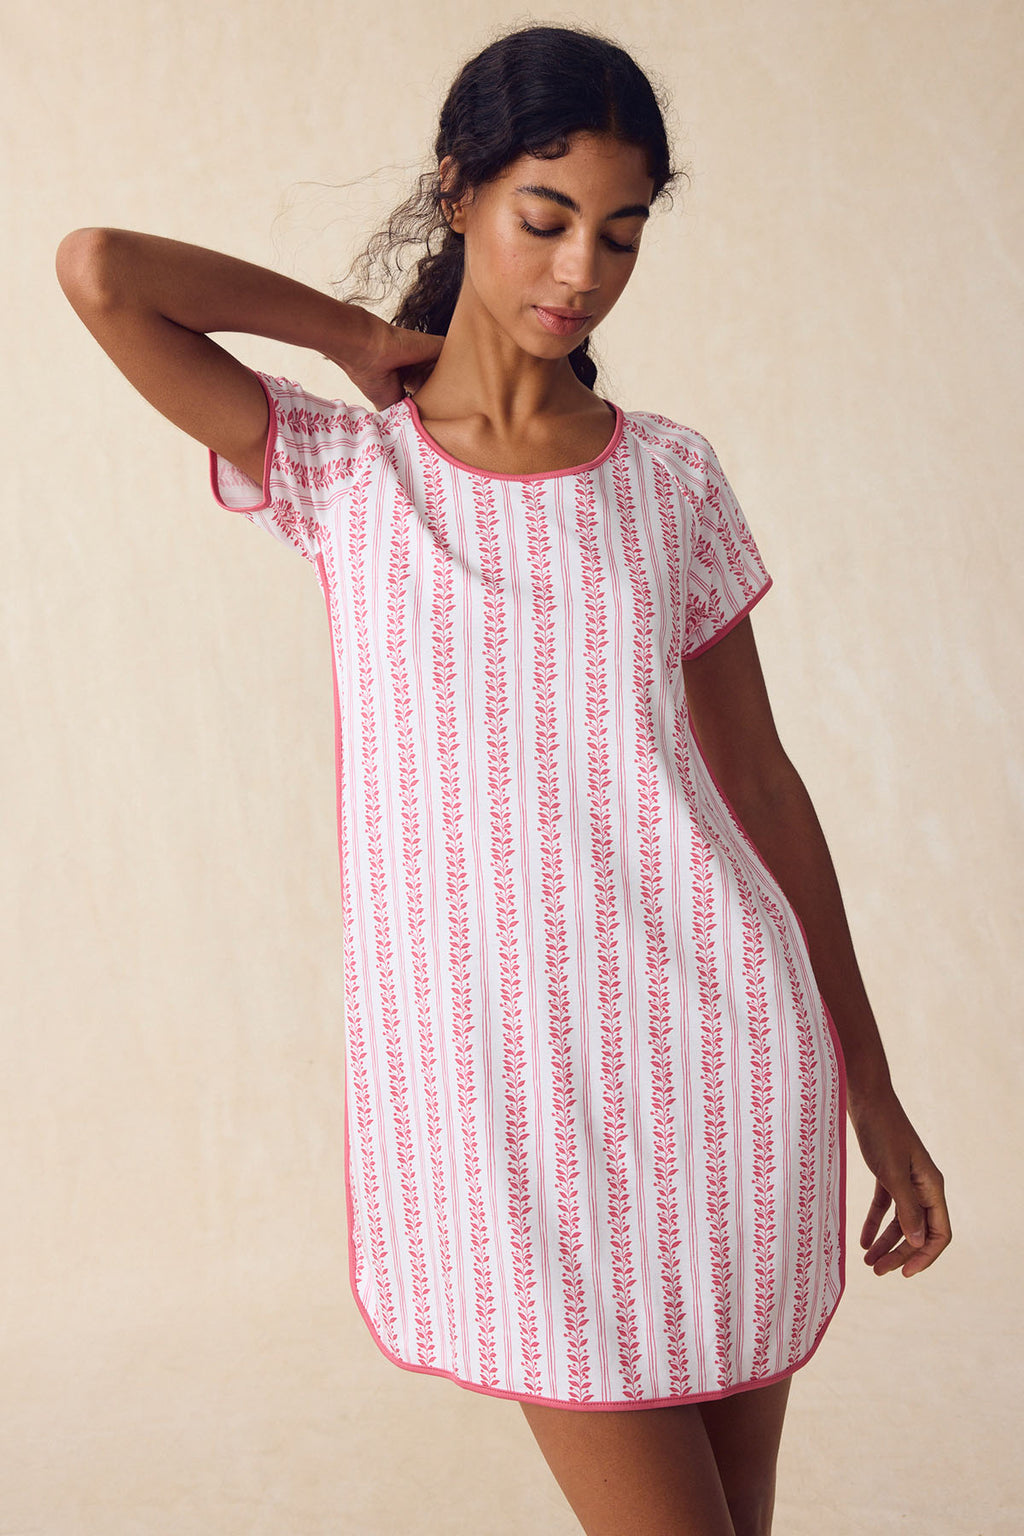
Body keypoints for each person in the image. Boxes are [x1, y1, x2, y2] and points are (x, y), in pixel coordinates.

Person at [55, 21, 951, 1536]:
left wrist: (877, 1096)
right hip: (513, 1118)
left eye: (621, 234)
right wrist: (347, 336)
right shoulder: (347, 475)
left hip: (727, 1068)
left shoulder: (669, 478)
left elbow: (765, 792)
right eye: (546, 218)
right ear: (460, 192)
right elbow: (100, 271)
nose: (582, 273)